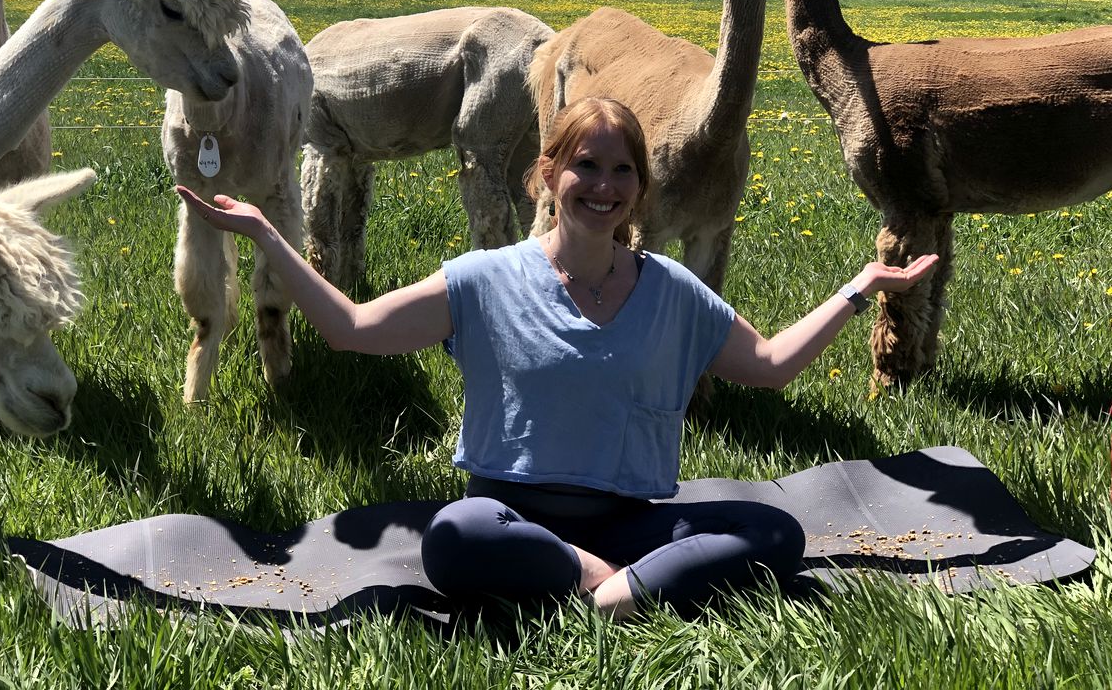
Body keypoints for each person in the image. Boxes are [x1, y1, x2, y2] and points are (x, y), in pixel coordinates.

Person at [177, 96, 937, 619]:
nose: (603, 187)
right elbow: (349, 327)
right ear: (549, 174)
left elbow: (769, 365)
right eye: (586, 166)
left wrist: (859, 288)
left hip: (629, 521)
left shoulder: (670, 290)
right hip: (510, 517)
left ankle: (609, 589)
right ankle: (607, 588)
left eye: (622, 172)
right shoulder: (483, 279)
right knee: (453, 536)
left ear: (639, 189)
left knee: (776, 534)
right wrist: (267, 236)